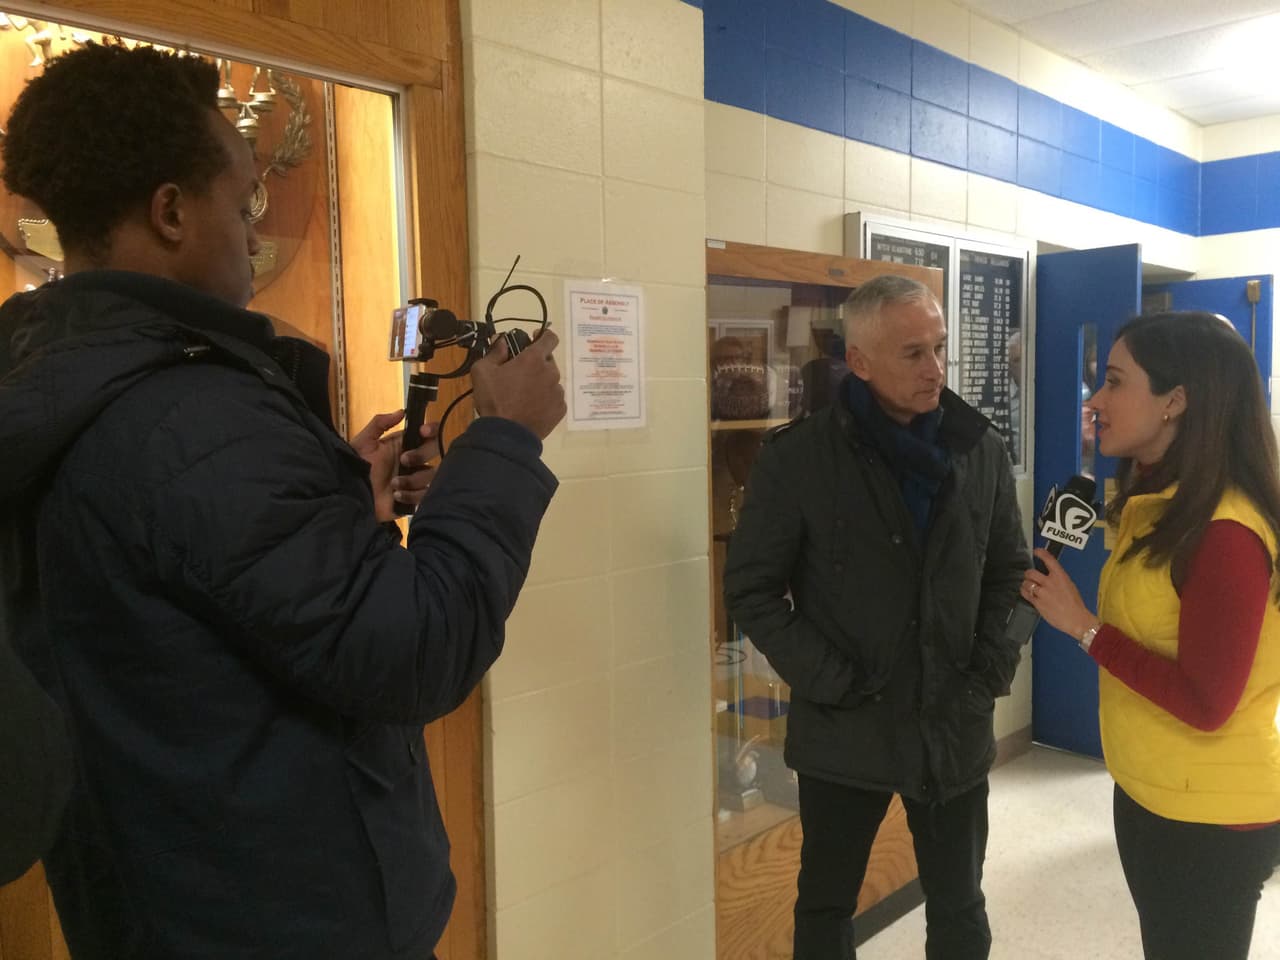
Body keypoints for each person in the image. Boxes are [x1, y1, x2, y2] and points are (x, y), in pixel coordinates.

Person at [0, 43, 565, 959]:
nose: (255, 228)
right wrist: (507, 442)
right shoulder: (192, 417)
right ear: (172, 211)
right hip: (290, 916)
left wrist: (338, 500)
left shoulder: (64, 379)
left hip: (174, 898)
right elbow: (415, 651)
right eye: (243, 197)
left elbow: (187, 591)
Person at [724, 274, 1029, 959]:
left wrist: (992, 666)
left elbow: (1012, 574)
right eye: (913, 353)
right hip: (845, 726)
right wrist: (831, 679)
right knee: (826, 904)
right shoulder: (798, 459)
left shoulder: (977, 448)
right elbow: (750, 591)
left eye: (941, 348)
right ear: (858, 361)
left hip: (953, 716)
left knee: (959, 904)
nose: (936, 370)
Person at [1022, 311, 1280, 960]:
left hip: (1211, 814)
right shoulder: (1157, 504)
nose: (1096, 400)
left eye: (1113, 382)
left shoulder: (1225, 532)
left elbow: (1207, 702)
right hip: (1150, 790)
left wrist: (1083, 627)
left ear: (1175, 401)